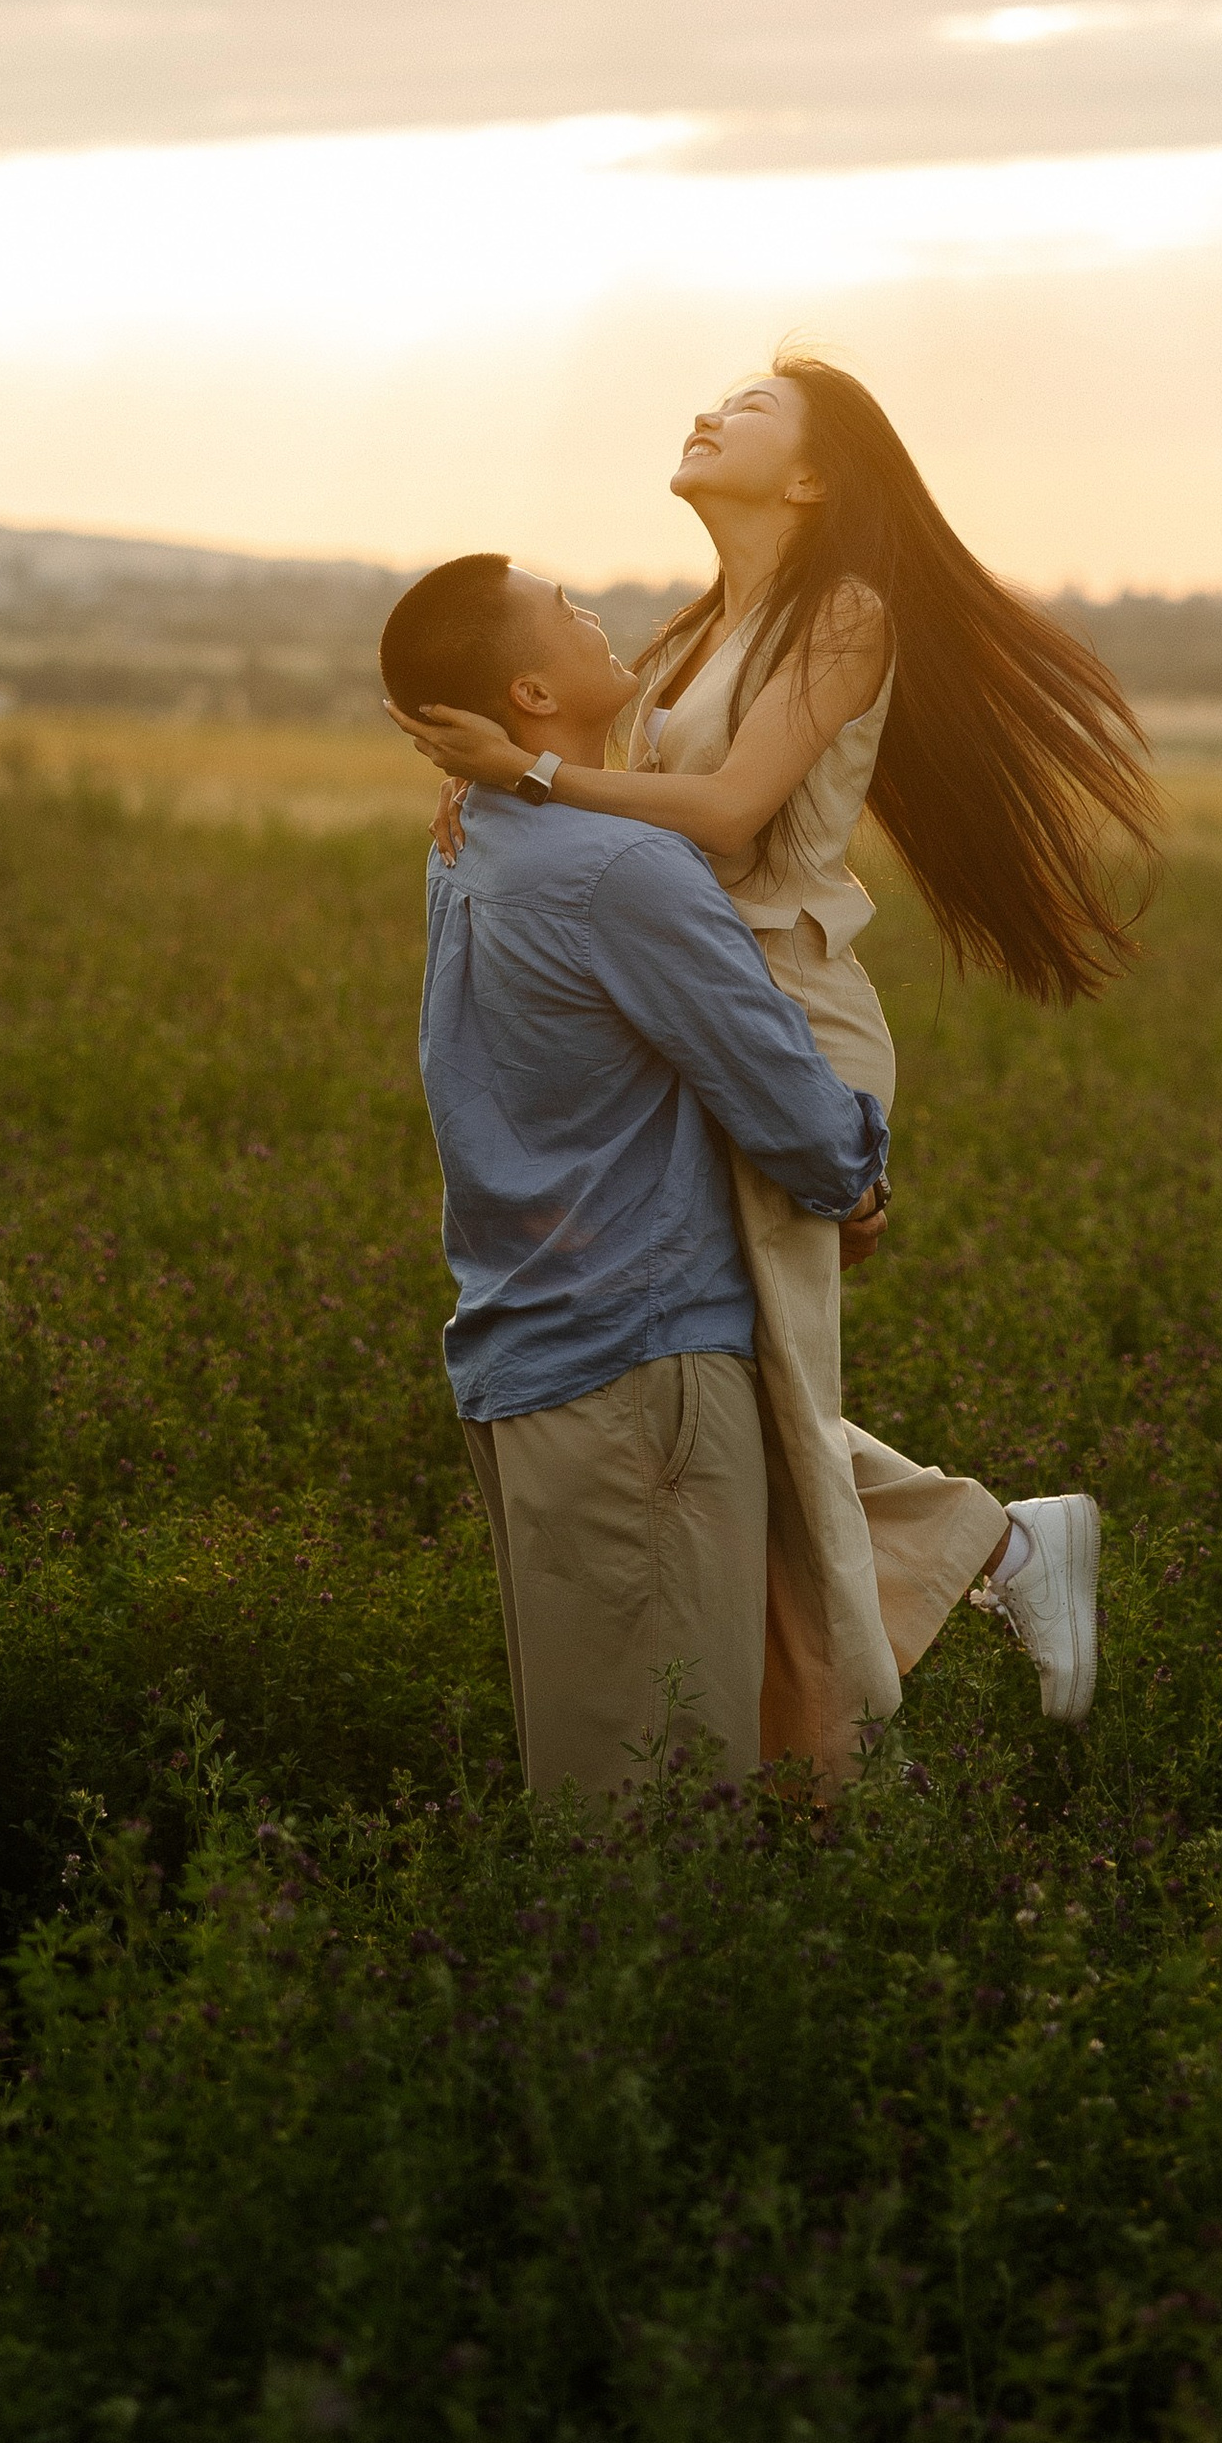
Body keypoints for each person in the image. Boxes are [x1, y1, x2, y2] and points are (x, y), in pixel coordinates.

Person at [388, 358, 1154, 1783]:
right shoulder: (701, 631)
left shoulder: (843, 615)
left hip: (785, 1014)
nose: (707, 410)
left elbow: (729, 819)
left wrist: (531, 777)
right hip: (703, 1007)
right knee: (743, 1389)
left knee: (753, 1391)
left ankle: (945, 1615)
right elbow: (624, 776)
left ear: (812, 478)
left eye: (748, 407)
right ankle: (951, 1596)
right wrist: (490, 774)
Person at [382, 551, 889, 1800]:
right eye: (566, 614)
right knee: (661, 1812)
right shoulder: (619, 869)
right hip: (636, 1368)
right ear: (530, 695)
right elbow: (780, 1090)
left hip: (527, 1357)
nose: (596, 616)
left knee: (598, 1776)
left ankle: (993, 1542)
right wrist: (860, 1177)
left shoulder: (471, 841)